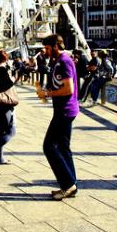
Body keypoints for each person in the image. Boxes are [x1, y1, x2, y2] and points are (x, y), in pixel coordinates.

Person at [36, 34, 80, 200]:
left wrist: (48, 92)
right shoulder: (57, 62)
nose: (45, 52)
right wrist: (46, 91)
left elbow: (68, 89)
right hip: (63, 109)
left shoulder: (64, 61)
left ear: (55, 46)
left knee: (49, 146)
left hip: (65, 110)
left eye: (47, 48)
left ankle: (68, 184)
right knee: (63, 148)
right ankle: (70, 185)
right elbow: (58, 83)